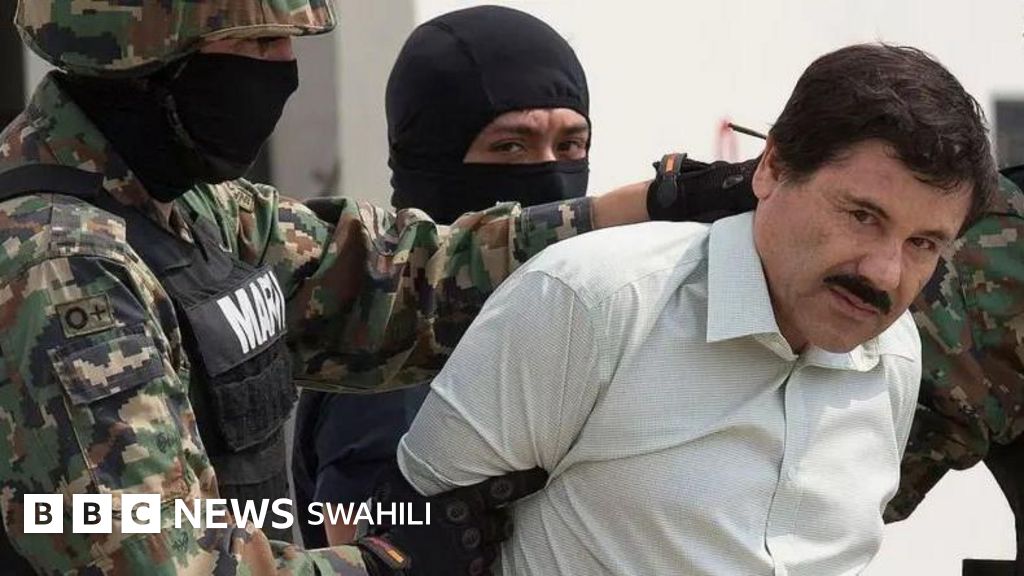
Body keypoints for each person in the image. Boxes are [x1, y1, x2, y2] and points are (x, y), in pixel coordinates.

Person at [0, 1, 659, 573]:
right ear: (146, 53)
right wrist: (386, 562)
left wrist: (644, 208)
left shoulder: (184, 203)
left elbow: (393, 282)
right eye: (259, 40)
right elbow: (156, 555)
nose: (285, 67)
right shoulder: (59, 266)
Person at [396, 43, 997, 575]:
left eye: (924, 244)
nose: (885, 274)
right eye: (862, 216)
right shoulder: (594, 301)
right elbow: (411, 526)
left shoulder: (895, 353)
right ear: (772, 168)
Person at [292, 5, 592, 547]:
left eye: (570, 146)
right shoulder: (393, 359)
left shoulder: (560, 312)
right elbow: (364, 552)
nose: (552, 176)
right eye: (510, 146)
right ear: (434, 160)